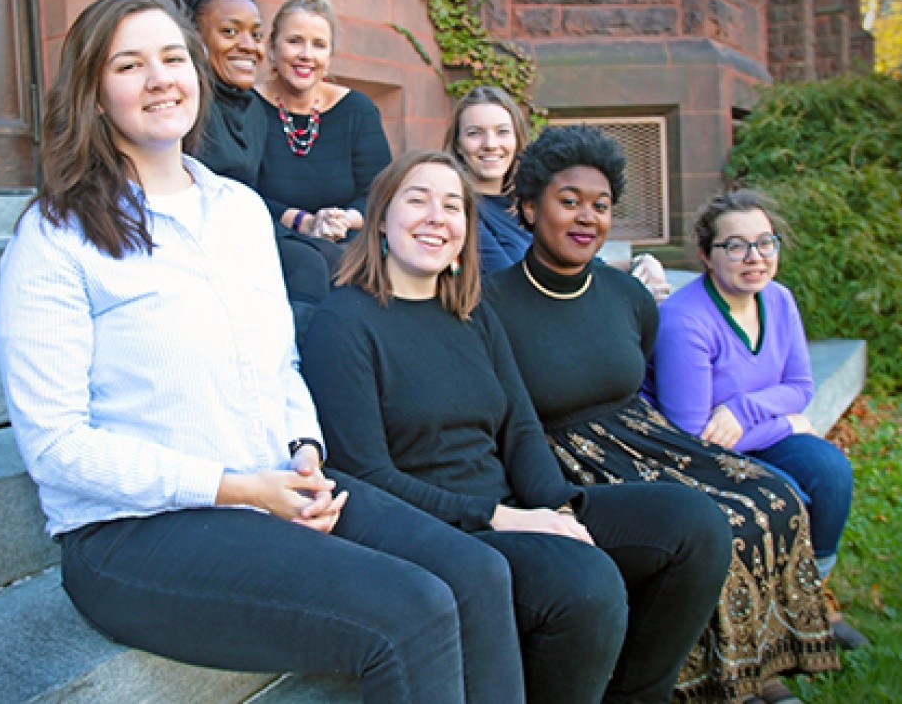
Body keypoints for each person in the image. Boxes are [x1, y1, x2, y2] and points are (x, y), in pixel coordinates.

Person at [0, 0, 525, 704]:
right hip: (139, 535)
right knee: (414, 611)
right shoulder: (56, 236)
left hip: (274, 485)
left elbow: (280, 365)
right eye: (129, 65)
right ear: (93, 94)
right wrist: (242, 488)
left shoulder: (240, 212)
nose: (159, 79)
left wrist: (304, 449)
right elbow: (56, 447)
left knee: (480, 574)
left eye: (173, 58)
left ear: (198, 75)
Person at [301, 149, 731, 704]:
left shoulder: (472, 312)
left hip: (511, 508)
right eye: (418, 200)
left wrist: (556, 508)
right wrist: (503, 518)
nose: (437, 216)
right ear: (381, 216)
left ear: (466, 230)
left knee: (694, 525)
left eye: (453, 205)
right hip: (441, 534)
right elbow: (365, 474)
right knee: (583, 585)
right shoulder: (344, 323)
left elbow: (521, 428)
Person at [482, 125, 840, 703]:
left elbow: (641, 376)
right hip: (560, 455)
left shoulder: (627, 296)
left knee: (773, 493)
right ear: (527, 206)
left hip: (646, 437)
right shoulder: (489, 301)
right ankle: (689, 683)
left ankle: (752, 669)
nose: (586, 217)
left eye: (600, 206)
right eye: (567, 201)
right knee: (713, 518)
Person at [645, 188, 865, 651]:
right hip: (693, 456)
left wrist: (744, 412)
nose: (755, 257)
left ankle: (812, 598)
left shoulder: (779, 300)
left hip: (748, 435)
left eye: (765, 242)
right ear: (706, 255)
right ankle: (765, 623)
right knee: (784, 496)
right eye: (736, 245)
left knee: (830, 471)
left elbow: (800, 387)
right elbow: (693, 435)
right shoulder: (685, 320)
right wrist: (786, 422)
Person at [169, 0, 328, 338]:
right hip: (194, 241)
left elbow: (251, 192)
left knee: (327, 258)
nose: (248, 45)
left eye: (256, 35)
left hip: (242, 229)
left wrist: (303, 221)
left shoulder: (253, 109)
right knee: (306, 264)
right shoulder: (182, 104)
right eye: (229, 32)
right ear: (193, 37)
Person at [443, 85, 670, 301]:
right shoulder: (460, 211)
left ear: (516, 139)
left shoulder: (528, 202)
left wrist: (639, 263)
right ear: (458, 144)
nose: (490, 144)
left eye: (502, 132)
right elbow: (517, 286)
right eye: (475, 133)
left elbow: (576, 260)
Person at [254, 0, 392, 272]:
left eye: (318, 44)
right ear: (271, 48)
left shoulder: (358, 110)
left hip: (346, 248)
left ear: (329, 56)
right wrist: (303, 221)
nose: (306, 55)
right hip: (267, 247)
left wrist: (343, 219)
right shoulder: (246, 108)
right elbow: (236, 191)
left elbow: (381, 193)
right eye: (294, 41)